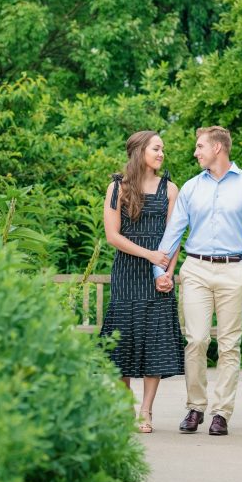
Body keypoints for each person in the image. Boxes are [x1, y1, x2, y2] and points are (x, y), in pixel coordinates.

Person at [152, 126, 242, 436]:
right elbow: (173, 232)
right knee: (196, 340)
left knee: (230, 345)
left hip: (235, 271)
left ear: (218, 148)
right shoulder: (192, 188)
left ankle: (222, 413)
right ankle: (195, 408)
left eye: (200, 146)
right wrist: (160, 271)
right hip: (196, 269)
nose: (196, 152)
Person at [99, 130, 183, 434]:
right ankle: (125, 406)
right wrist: (149, 254)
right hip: (128, 271)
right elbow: (113, 236)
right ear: (139, 152)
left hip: (157, 274)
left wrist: (167, 274)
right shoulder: (117, 188)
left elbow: (175, 237)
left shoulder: (171, 189)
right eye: (156, 148)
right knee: (124, 339)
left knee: (154, 340)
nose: (161, 154)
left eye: (162, 149)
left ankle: (146, 411)